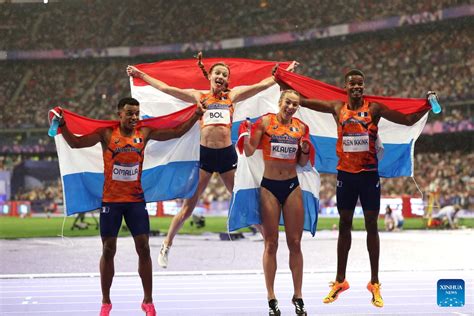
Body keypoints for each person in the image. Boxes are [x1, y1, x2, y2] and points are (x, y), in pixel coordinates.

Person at [127, 56, 298, 268]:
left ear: (227, 80)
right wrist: (140, 75)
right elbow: (167, 88)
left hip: (226, 156)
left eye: (225, 75)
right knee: (188, 206)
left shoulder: (232, 96)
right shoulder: (198, 97)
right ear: (211, 76)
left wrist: (285, 72)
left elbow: (261, 85)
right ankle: (166, 245)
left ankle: (269, 245)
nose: (221, 77)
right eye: (218, 73)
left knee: (242, 199)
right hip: (205, 156)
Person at [295, 69, 431, 308]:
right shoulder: (338, 108)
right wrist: (284, 84)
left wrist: (427, 105)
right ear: (345, 87)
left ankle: (375, 282)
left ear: (363, 86)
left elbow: (408, 120)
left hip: (369, 177)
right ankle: (340, 281)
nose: (357, 87)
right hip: (346, 176)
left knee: (372, 227)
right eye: (353, 84)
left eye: (360, 84)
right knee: (344, 225)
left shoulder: (374, 109)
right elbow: (305, 102)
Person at [58, 97, 205, 316]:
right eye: (129, 113)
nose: (134, 117)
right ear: (119, 114)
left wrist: (195, 115)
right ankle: (106, 302)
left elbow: (176, 132)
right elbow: (75, 143)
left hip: (135, 201)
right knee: (108, 250)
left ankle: (148, 301)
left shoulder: (143, 133)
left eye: (136, 113)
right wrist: (62, 125)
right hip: (111, 202)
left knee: (144, 248)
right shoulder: (106, 134)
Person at [242, 90, 310, 316]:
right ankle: (271, 297)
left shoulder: (300, 127)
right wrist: (246, 134)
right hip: (269, 186)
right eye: (288, 102)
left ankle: (298, 295)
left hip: (292, 186)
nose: (291, 107)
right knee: (271, 243)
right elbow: (250, 151)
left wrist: (305, 151)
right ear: (280, 102)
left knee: (295, 242)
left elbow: (302, 162)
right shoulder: (265, 122)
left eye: (295, 105)